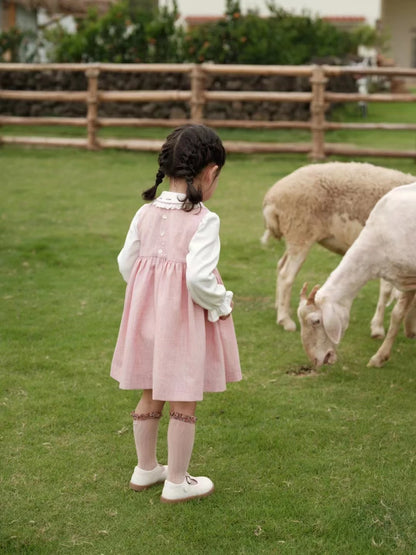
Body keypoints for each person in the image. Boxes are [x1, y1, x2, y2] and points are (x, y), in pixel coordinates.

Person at [111, 124, 242, 503]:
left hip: (149, 319)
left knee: (151, 391)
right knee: (183, 396)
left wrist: (147, 294)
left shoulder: (144, 212)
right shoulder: (204, 219)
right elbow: (200, 278)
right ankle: (177, 480)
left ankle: (146, 468)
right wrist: (220, 301)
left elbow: (126, 264)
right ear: (211, 172)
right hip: (183, 324)